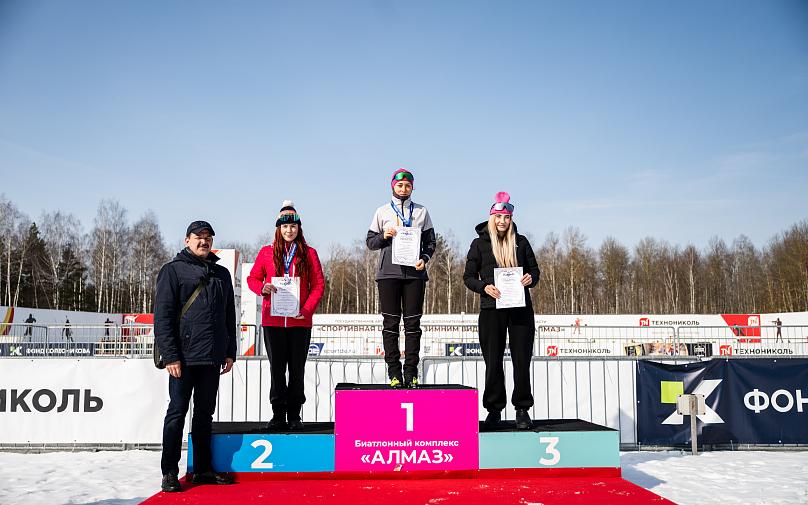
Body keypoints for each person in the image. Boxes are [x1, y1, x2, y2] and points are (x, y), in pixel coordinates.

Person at [154, 220, 237, 493]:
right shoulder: (172, 270)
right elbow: (163, 318)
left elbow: (229, 315)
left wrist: (230, 351)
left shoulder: (222, 273)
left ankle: (202, 470)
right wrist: (171, 356)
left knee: (204, 415)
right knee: (176, 414)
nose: (204, 241)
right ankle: (169, 472)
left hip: (212, 358)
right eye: (198, 236)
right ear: (187, 240)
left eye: (208, 237)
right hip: (183, 360)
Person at [463, 192, 540, 431]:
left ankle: (522, 409)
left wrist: (530, 278)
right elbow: (468, 277)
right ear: (491, 218)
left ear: (511, 219)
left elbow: (535, 271)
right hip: (491, 309)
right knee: (493, 361)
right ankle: (494, 410)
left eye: (506, 217)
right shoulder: (479, 244)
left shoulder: (521, 242)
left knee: (521, 361)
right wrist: (484, 287)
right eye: (498, 217)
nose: (502, 221)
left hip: (520, 309)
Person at [247, 201, 325, 431]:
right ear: (278, 229)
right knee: (277, 370)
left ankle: (294, 415)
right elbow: (252, 278)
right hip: (273, 321)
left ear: (299, 228)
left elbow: (318, 285)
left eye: (293, 226)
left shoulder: (309, 253)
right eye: (284, 227)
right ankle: (278, 414)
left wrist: (306, 310)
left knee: (297, 370)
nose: (289, 230)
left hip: (300, 321)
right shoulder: (266, 252)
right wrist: (262, 287)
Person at [366, 169, 436, 388]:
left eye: (408, 185)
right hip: (388, 274)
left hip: (415, 274)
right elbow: (370, 242)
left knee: (413, 324)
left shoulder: (422, 211)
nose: (404, 189)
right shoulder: (382, 211)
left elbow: (431, 242)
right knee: (391, 324)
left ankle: (411, 373)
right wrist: (383, 236)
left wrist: (424, 258)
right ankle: (394, 374)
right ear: (392, 186)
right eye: (400, 185)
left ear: (412, 187)